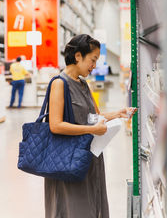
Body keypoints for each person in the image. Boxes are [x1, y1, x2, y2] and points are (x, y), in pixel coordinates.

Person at [45, 34, 137, 218]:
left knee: (91, 206)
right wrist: (91, 130)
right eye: (92, 60)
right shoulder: (59, 84)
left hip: (88, 157)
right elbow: (55, 125)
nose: (94, 66)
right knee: (73, 208)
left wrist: (118, 113)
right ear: (78, 56)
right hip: (68, 161)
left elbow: (95, 117)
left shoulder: (83, 84)